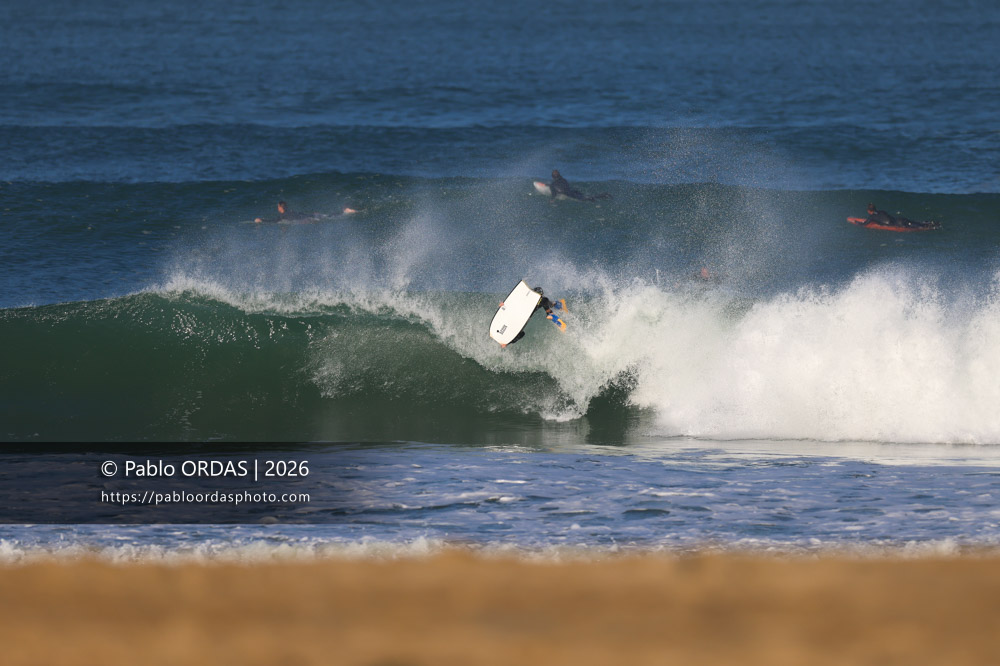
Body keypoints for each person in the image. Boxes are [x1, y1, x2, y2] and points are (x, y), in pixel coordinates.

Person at [500, 287, 566, 348]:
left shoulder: (543, 300)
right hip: (526, 315)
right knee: (521, 333)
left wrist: (550, 315)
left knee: (550, 304)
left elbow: (547, 308)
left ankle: (558, 304)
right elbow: (516, 303)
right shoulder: (526, 299)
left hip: (540, 305)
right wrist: (505, 305)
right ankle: (507, 343)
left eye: (539, 296)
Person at [254, 201, 357, 224]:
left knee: (327, 218)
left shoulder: (282, 215)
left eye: (278, 207)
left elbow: (274, 221)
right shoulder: (291, 211)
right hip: (311, 215)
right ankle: (345, 211)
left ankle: (345, 212)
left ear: (280, 207)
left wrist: (261, 220)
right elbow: (301, 213)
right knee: (328, 216)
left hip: (306, 219)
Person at [546, 169, 611, 202]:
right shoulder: (564, 180)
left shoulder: (553, 185)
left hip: (570, 194)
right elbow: (560, 185)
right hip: (573, 191)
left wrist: (552, 200)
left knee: (586, 198)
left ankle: (604, 195)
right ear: (559, 175)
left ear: (552, 177)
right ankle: (604, 195)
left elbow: (554, 194)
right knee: (586, 196)